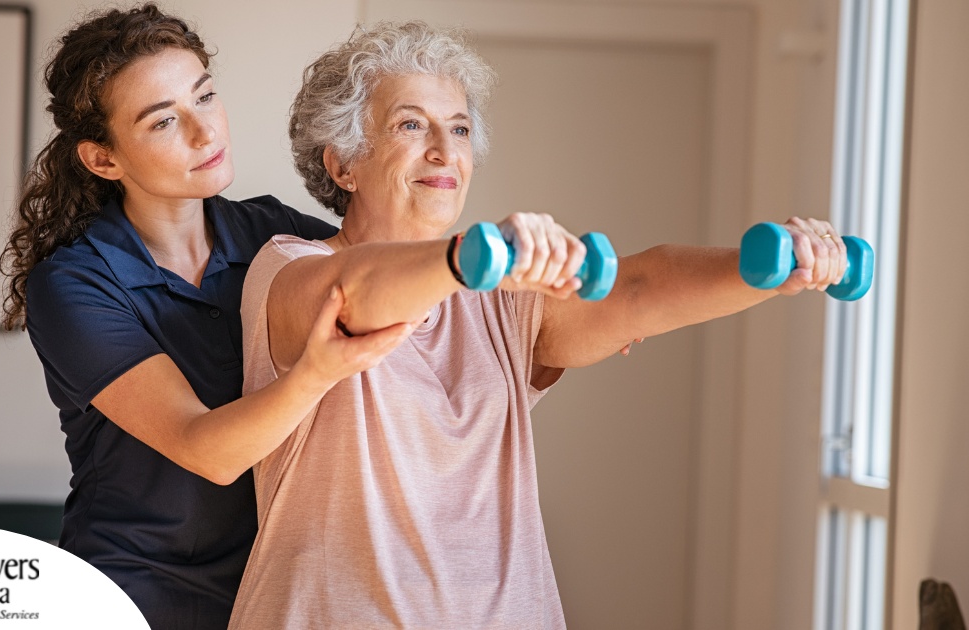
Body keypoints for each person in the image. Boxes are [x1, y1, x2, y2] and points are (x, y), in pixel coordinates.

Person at [227, 21, 850, 628]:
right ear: (343, 165)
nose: (445, 149)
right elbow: (353, 296)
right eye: (411, 125)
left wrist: (770, 269)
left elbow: (635, 287)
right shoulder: (290, 265)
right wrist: (472, 254)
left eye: (460, 128)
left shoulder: (500, 294)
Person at [0, 5, 413, 628]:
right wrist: (315, 372)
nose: (204, 132)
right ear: (104, 160)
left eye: (206, 97)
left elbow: (382, 285)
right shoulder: (75, 285)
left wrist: (535, 336)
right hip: (129, 595)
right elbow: (207, 450)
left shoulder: (272, 233)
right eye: (164, 121)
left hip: (269, 590)